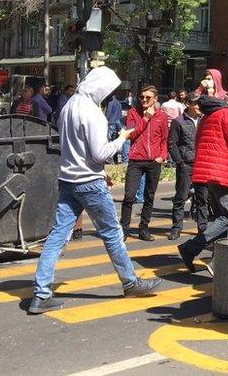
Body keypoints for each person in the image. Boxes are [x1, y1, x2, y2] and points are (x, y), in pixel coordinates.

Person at [28, 67, 161, 314]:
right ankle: (131, 282)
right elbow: (100, 153)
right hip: (89, 182)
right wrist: (122, 138)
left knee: (58, 235)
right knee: (112, 233)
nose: (109, 95)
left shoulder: (68, 106)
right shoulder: (92, 113)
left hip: (68, 179)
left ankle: (41, 292)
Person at [178, 89, 228, 272]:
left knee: (221, 216)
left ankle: (220, 259)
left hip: (206, 172)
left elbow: (198, 143)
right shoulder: (226, 115)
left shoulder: (206, 118)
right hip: (222, 171)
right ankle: (191, 248)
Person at [120, 85, 169, 241]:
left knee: (149, 196)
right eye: (142, 97)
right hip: (136, 159)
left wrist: (162, 155)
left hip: (154, 161)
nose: (144, 100)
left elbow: (164, 139)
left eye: (148, 97)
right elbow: (131, 134)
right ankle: (124, 229)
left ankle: (144, 228)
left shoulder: (161, 116)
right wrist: (146, 118)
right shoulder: (133, 113)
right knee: (129, 196)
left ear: (155, 99)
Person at [168, 93, 206, 238]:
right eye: (196, 104)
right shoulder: (179, 122)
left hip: (202, 164)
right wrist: (180, 162)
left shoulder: (204, 120)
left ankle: (202, 228)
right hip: (186, 164)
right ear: (188, 104)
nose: (199, 107)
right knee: (181, 197)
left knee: (203, 198)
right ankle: (176, 227)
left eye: (200, 104)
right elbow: (172, 144)